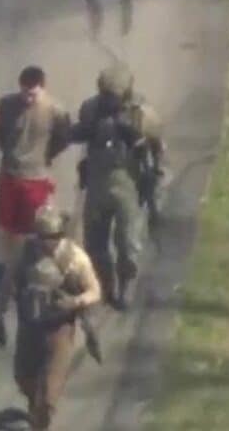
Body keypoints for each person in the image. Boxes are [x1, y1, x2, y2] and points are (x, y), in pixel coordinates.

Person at [0, 206, 101, 431]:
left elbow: (94, 292)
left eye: (49, 237)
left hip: (58, 331)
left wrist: (75, 302)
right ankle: (34, 406)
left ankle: (41, 420)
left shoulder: (75, 259)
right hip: (29, 326)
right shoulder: (25, 252)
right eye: (40, 235)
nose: (43, 242)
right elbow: (7, 283)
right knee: (23, 377)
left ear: (60, 235)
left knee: (49, 395)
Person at [70, 63, 166, 310]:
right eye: (103, 93)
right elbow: (82, 132)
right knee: (94, 242)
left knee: (128, 243)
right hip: (97, 182)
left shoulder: (143, 116)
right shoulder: (91, 109)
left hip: (128, 185)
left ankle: (126, 285)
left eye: (111, 95)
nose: (106, 99)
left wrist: (155, 192)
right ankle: (104, 284)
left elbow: (159, 154)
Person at [0, 65, 72, 319]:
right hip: (11, 175)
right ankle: (9, 272)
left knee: (36, 230)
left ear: (42, 87)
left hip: (36, 178)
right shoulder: (7, 104)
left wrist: (47, 156)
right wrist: (8, 153)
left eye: (32, 93)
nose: (28, 97)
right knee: (7, 227)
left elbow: (64, 137)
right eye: (24, 92)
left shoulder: (56, 111)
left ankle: (32, 273)